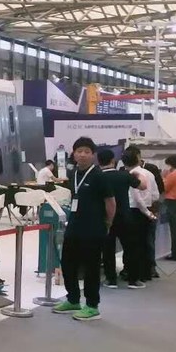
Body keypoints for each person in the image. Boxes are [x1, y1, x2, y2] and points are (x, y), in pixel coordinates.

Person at [53, 137, 116, 321]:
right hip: (74, 226)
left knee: (91, 268)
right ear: (73, 154)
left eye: (87, 152)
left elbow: (110, 202)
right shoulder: (73, 173)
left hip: (93, 228)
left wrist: (108, 223)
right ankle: (73, 299)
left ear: (93, 155)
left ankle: (92, 305)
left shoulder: (99, 176)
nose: (82, 154)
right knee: (68, 263)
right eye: (79, 151)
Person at [97, 147, 140, 289]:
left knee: (108, 249)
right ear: (113, 160)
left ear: (98, 161)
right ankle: (133, 279)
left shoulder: (97, 177)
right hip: (124, 216)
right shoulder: (124, 175)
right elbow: (142, 186)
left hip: (104, 218)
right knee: (130, 247)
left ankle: (111, 279)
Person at [122, 149, 158, 289]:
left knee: (132, 245)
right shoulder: (149, 173)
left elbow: (136, 197)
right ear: (138, 158)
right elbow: (155, 195)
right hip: (146, 210)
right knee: (144, 243)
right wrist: (149, 211)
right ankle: (145, 272)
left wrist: (145, 211)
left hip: (133, 210)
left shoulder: (130, 175)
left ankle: (132, 274)